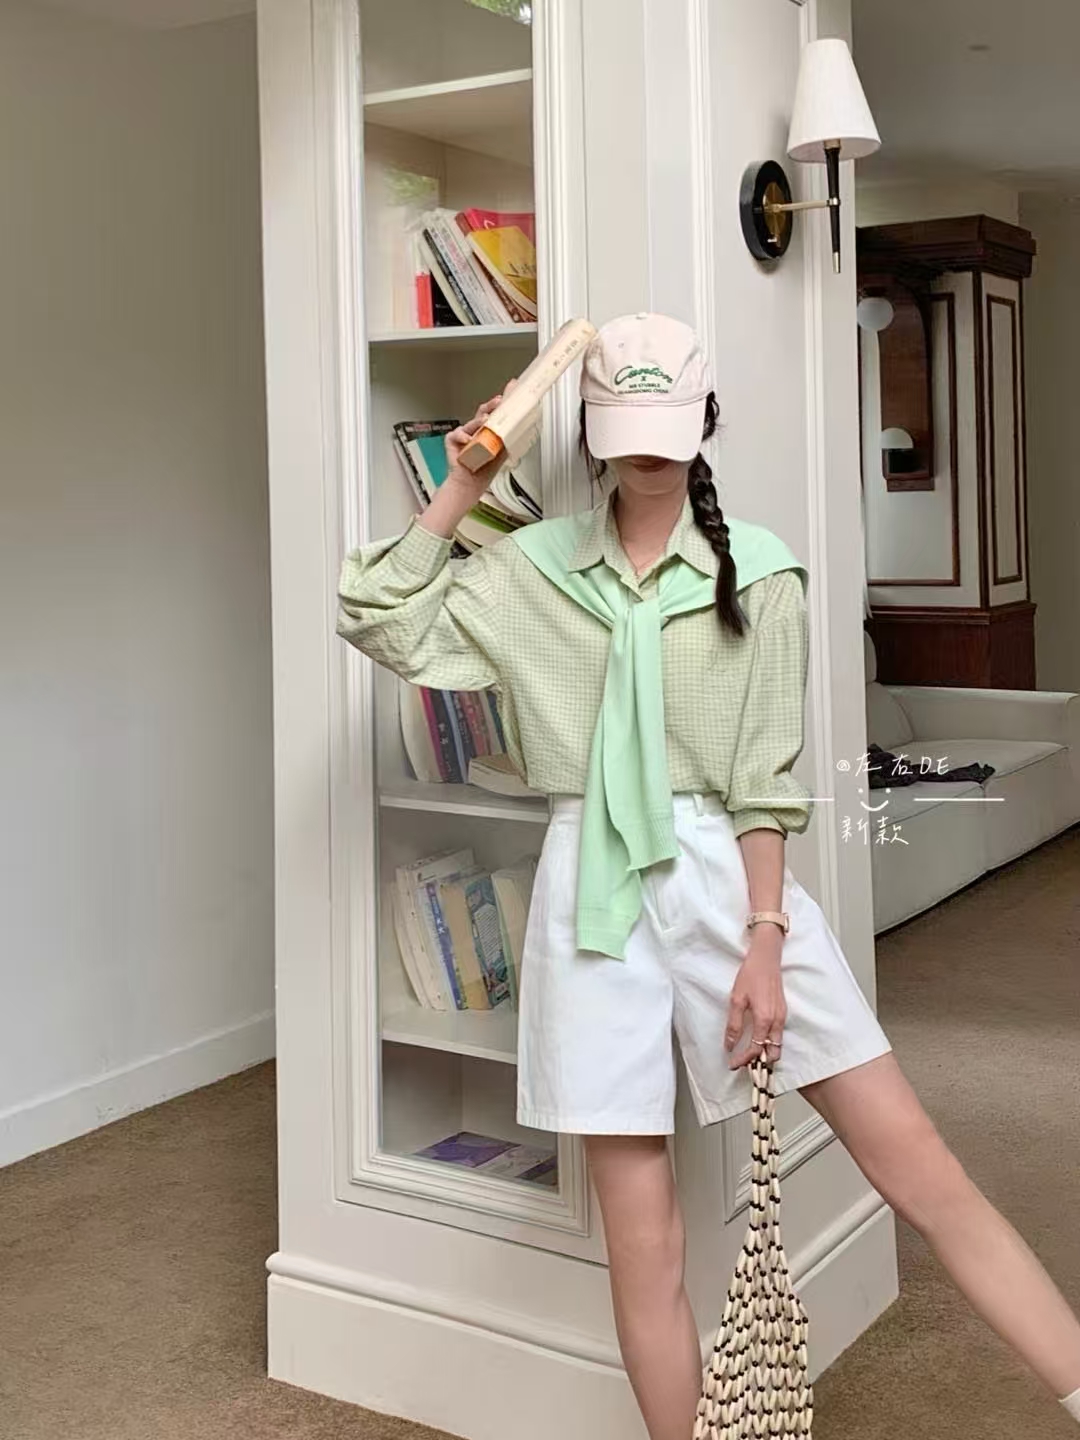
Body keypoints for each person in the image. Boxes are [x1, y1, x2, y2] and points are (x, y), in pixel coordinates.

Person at [336, 312, 1080, 1439]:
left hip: (729, 883)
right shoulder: (526, 572)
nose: (648, 451)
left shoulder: (762, 574)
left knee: (922, 1171)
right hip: (590, 897)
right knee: (645, 1247)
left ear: (702, 425)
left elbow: (763, 781)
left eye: (667, 427)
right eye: (626, 428)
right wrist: (466, 479)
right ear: (591, 431)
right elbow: (375, 611)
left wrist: (766, 939)